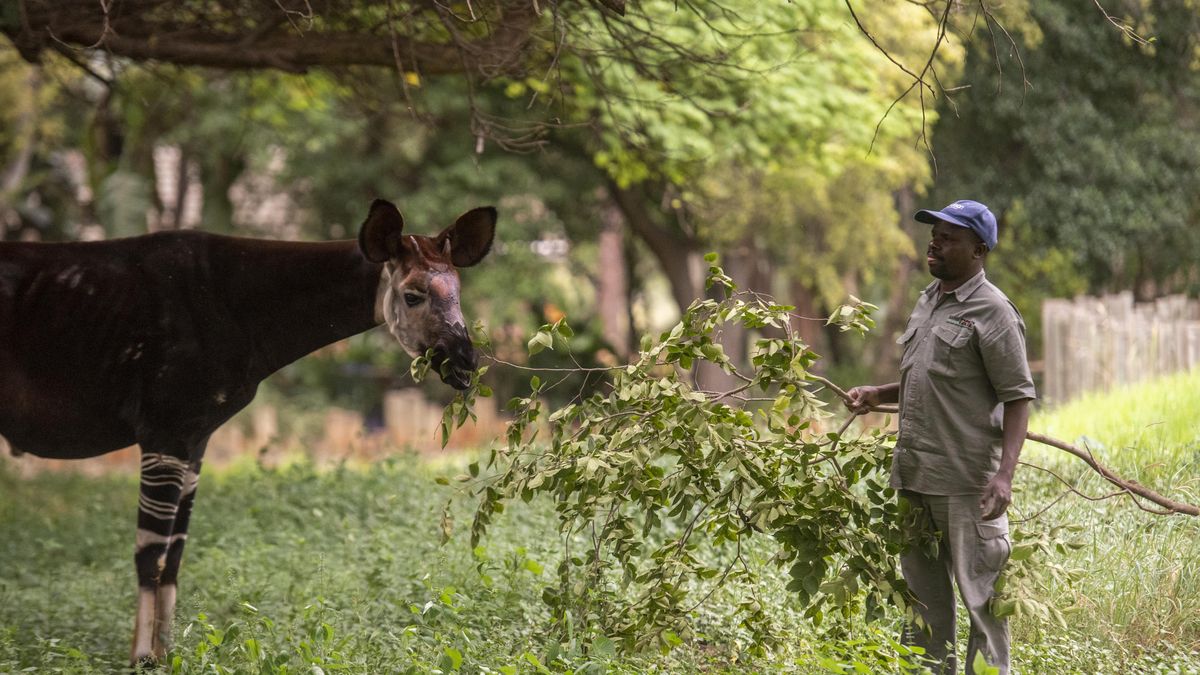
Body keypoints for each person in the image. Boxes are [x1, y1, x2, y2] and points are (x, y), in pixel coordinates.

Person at [846, 199, 1035, 675]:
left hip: (967, 484)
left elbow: (1018, 398)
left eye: (949, 238)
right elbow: (926, 374)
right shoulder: (927, 299)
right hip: (914, 477)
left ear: (979, 250)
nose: (934, 244)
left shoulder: (994, 312)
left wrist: (1004, 477)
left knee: (983, 604)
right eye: (934, 235)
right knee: (922, 608)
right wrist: (878, 393)